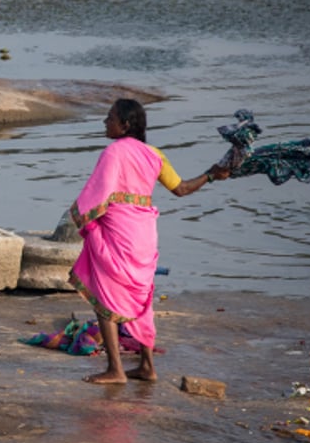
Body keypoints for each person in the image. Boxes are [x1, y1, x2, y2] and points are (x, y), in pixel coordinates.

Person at [69, 98, 228, 385]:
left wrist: (80, 214)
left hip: (118, 231)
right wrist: (211, 175)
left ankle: (116, 370)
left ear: (125, 125)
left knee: (105, 295)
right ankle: (146, 365)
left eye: (110, 117)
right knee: (141, 296)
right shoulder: (155, 155)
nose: (105, 122)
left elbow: (97, 194)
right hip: (143, 233)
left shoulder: (114, 152)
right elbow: (181, 188)